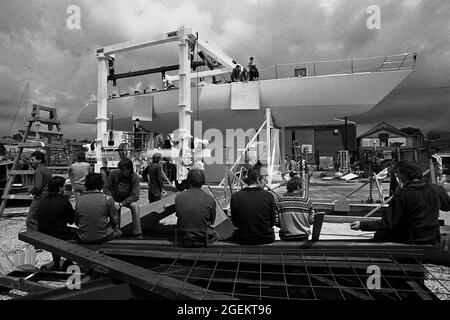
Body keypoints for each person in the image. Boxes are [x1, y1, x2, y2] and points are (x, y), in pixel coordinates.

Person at [350, 160, 450, 245]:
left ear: (404, 175)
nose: (397, 175)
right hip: (431, 237)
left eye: (398, 173)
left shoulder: (402, 194)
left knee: (380, 234)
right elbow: (447, 207)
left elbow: (388, 223)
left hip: (410, 239)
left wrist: (362, 225)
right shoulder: (436, 190)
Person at [36, 176, 76, 270]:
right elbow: (71, 220)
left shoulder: (42, 200)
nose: (65, 188)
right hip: (59, 233)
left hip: (42, 232)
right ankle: (69, 261)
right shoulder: (64, 201)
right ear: (59, 188)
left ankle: (57, 263)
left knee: (54, 232)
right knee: (78, 234)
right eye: (64, 186)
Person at [230, 167, 276, 245]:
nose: (266, 183)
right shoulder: (268, 196)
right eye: (265, 180)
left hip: (243, 238)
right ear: (258, 179)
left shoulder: (235, 196)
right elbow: (272, 222)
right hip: (265, 238)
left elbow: (235, 222)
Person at [175, 169, 219, 247]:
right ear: (203, 182)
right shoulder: (210, 199)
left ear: (188, 181)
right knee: (216, 235)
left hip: (184, 238)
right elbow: (212, 221)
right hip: (202, 239)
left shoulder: (178, 197)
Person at [75, 173, 122, 244]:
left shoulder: (79, 200)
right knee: (119, 232)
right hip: (103, 237)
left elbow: (77, 222)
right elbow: (115, 221)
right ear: (101, 185)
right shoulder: (108, 199)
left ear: (87, 185)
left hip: (83, 237)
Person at [104, 158, 143, 239]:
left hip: (127, 200)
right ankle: (116, 231)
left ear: (129, 170)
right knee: (114, 210)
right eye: (120, 169)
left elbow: (135, 195)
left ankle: (137, 233)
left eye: (123, 170)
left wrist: (122, 204)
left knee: (135, 206)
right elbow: (106, 188)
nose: (121, 171)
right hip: (115, 199)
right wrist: (112, 201)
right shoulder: (114, 173)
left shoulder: (135, 177)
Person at [276, 177, 314, 241]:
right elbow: (311, 220)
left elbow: (276, 221)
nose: (304, 189)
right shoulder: (306, 201)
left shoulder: (279, 201)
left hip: (285, 237)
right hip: (303, 237)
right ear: (298, 187)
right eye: (303, 186)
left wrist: (285, 225)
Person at [26, 151, 52, 231]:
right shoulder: (47, 169)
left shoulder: (39, 170)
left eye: (33, 160)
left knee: (30, 220)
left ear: (39, 160)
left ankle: (33, 238)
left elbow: (37, 187)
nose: (31, 162)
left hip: (40, 197)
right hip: (47, 196)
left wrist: (30, 190)